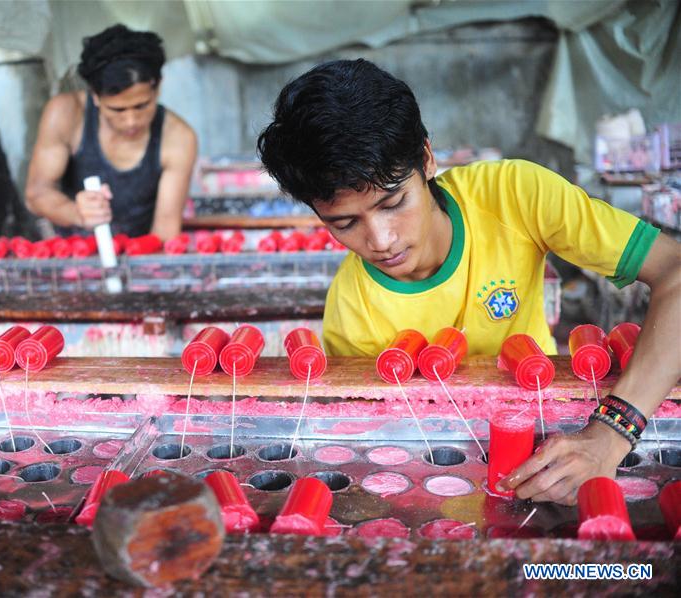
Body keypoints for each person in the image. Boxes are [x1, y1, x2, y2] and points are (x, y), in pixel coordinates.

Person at [257, 59, 680, 505]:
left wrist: (611, 434)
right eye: (345, 223)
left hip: (554, 446)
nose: (381, 240)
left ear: (426, 158)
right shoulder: (353, 310)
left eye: (394, 202)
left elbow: (675, 270)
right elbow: (391, 451)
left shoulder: (515, 195)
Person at [25, 24, 197, 240]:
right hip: (73, 256)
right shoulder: (66, 114)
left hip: (139, 253)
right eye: (117, 110)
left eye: (142, 106)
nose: (131, 121)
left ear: (158, 88)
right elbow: (37, 194)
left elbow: (165, 229)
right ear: (95, 96)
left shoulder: (178, 138)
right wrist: (77, 213)